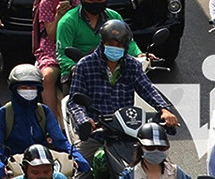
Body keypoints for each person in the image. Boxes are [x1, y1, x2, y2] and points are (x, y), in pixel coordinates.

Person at [66, 20, 178, 160]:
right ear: (102, 43)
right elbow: (74, 102)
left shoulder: (133, 66)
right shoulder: (85, 65)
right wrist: (84, 120)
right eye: (110, 44)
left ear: (125, 46)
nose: (115, 48)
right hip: (96, 134)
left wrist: (164, 110)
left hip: (127, 133)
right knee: (81, 166)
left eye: (119, 45)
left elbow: (148, 89)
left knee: (157, 162)